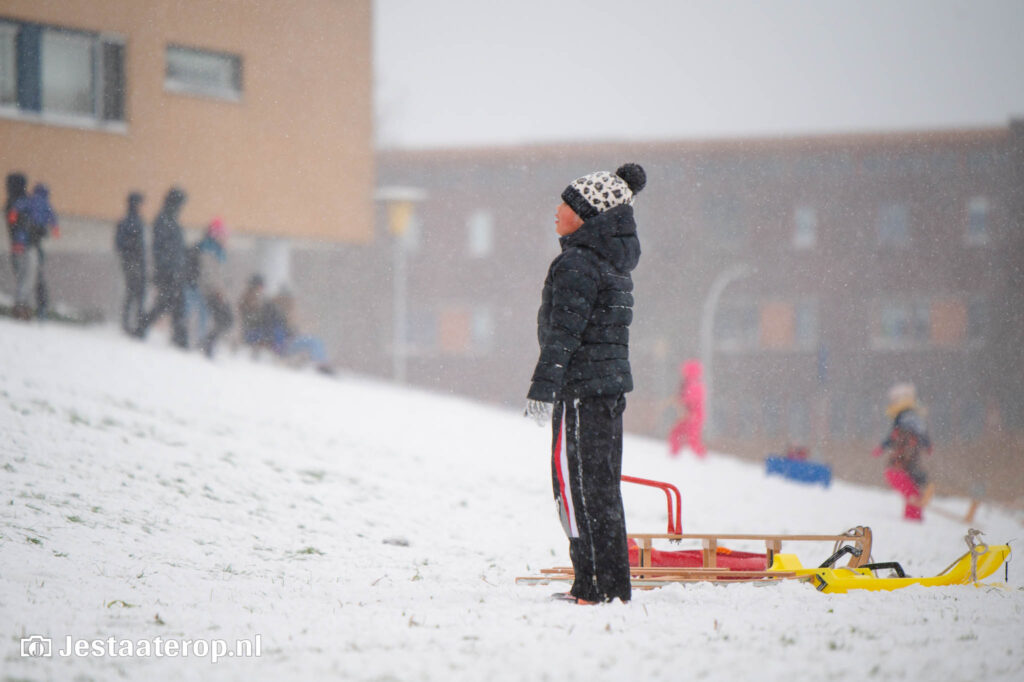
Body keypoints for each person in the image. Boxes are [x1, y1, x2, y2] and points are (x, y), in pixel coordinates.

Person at [525, 162, 646, 604]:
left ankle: (593, 586)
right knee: (601, 489)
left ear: (586, 214)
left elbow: (564, 334)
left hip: (581, 394)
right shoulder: (612, 262)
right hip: (606, 392)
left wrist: (543, 388)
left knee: (575, 489)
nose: (556, 211)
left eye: (566, 204)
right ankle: (609, 585)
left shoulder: (577, 263)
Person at [136, 186, 189, 348]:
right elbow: (160, 249)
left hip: (175, 270)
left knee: (175, 303)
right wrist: (168, 268)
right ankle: (144, 326)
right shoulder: (164, 220)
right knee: (167, 303)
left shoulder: (171, 220)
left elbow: (176, 248)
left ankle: (179, 338)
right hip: (167, 271)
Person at [873, 382, 934, 521]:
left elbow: (894, 436)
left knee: (909, 482)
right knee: (911, 482)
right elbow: (922, 432)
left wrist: (883, 446)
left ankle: (914, 512)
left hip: (903, 456)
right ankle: (920, 489)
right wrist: (927, 444)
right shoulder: (911, 417)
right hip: (905, 456)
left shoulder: (905, 417)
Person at [263, 290, 334, 374]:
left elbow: (288, 332)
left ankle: (319, 363)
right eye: (285, 300)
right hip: (284, 346)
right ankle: (320, 364)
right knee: (313, 342)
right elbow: (277, 335)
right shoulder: (273, 315)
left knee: (313, 341)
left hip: (287, 343)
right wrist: (279, 345)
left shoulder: (281, 315)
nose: (287, 303)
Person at [192, 218, 233, 357]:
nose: (225, 238)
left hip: (214, 292)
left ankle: (206, 344)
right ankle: (205, 346)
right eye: (223, 234)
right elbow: (209, 274)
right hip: (210, 292)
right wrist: (218, 290)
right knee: (224, 320)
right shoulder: (209, 250)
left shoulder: (217, 251)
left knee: (224, 320)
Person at [24, 183, 60, 319]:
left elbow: (21, 209)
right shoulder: (45, 203)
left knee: (31, 272)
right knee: (38, 271)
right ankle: (40, 308)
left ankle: (29, 305)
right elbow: (52, 217)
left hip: (29, 237)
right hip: (38, 237)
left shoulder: (30, 200)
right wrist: (55, 229)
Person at [114, 192, 147, 334]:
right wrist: (132, 250)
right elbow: (120, 243)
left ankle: (133, 322)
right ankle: (130, 323)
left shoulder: (134, 220)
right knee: (134, 292)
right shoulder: (130, 221)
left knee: (136, 293)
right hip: (132, 261)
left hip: (135, 261)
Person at [5, 172, 34, 320]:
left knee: (23, 276)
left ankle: (22, 307)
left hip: (17, 245)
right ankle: (21, 307)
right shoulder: (21, 202)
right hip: (24, 245)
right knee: (26, 277)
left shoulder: (12, 202)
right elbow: (21, 225)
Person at [668, 359, 707, 457]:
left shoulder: (694, 384)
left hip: (693, 416)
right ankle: (674, 455)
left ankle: (701, 457)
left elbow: (691, 400)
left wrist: (680, 400)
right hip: (689, 415)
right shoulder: (689, 383)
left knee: (691, 438)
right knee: (677, 434)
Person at [238, 274, 268, 350]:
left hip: (255, 327)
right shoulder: (250, 296)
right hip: (252, 327)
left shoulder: (258, 296)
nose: (261, 288)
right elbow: (245, 311)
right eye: (260, 286)